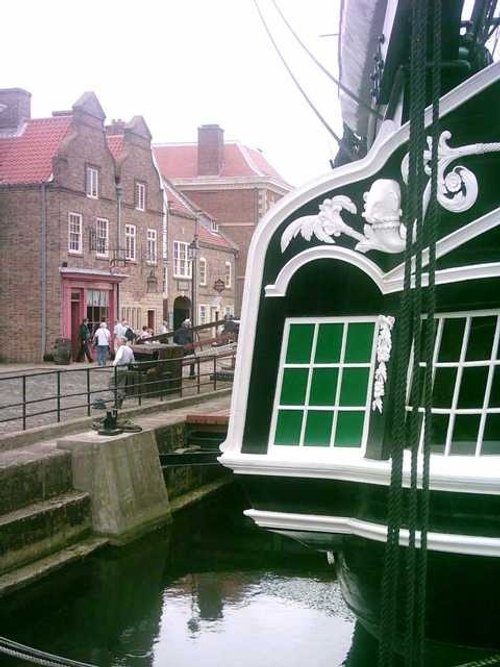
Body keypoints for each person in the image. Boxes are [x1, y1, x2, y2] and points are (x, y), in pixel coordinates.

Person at [111, 337, 135, 408]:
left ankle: (122, 394)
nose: (118, 342)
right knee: (121, 386)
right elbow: (132, 360)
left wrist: (114, 363)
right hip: (125, 368)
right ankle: (118, 405)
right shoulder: (130, 349)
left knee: (111, 384)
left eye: (119, 341)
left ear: (123, 342)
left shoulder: (121, 348)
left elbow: (119, 356)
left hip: (119, 368)